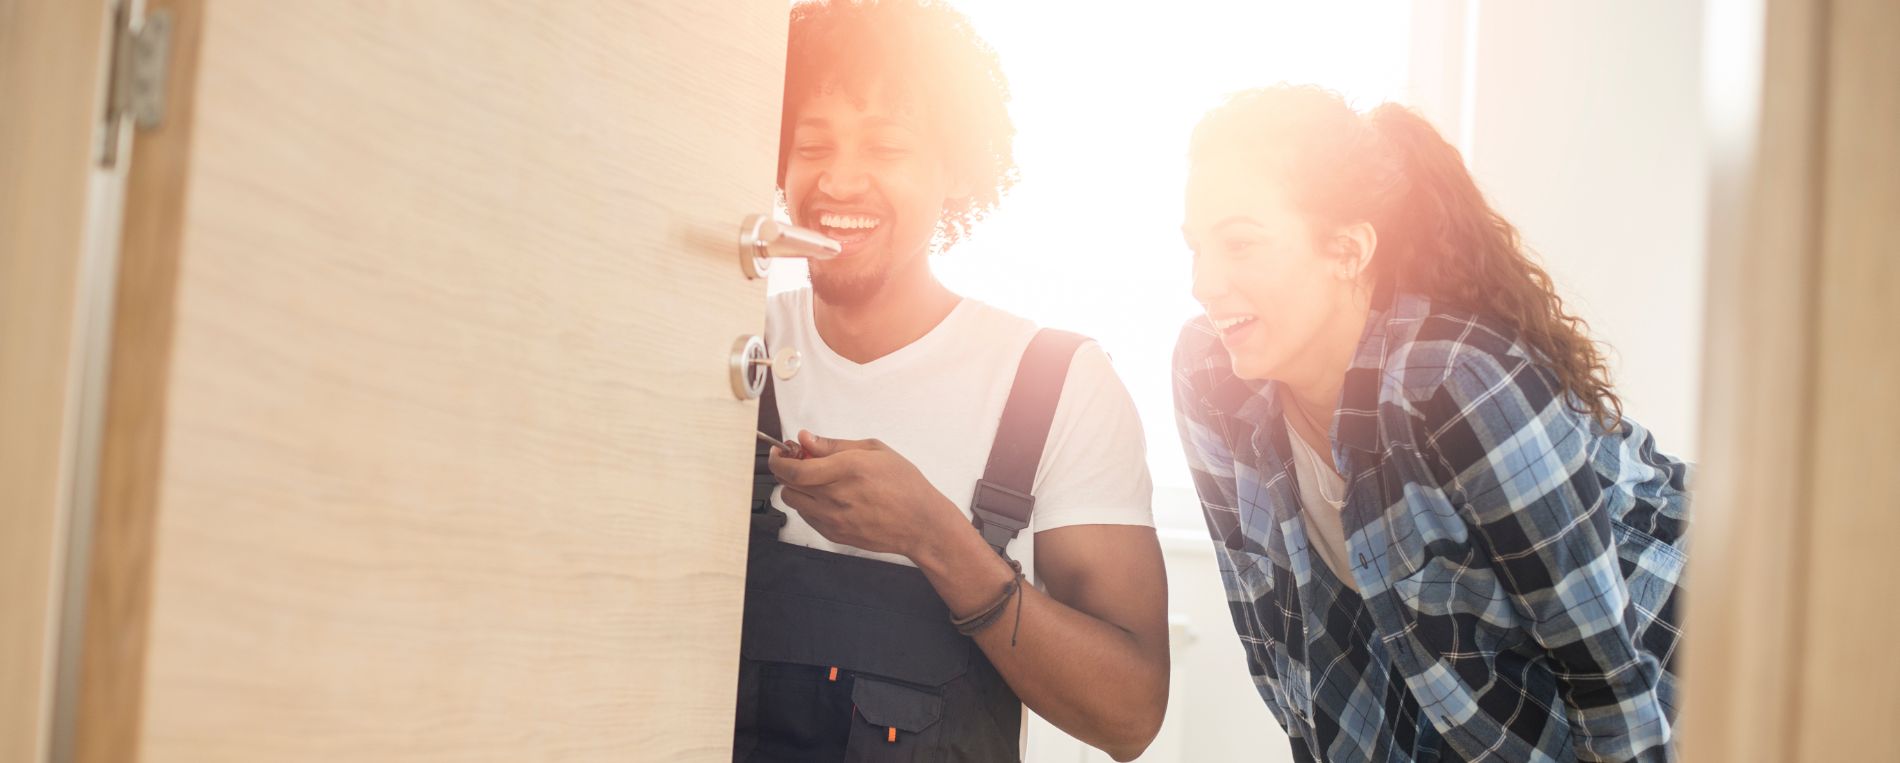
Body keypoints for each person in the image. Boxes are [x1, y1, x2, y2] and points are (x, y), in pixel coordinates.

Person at [1171, 85, 1690, 762]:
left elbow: (1604, 679)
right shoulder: (1209, 373)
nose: (1203, 282)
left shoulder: (1455, 386)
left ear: (1349, 250)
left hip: (1691, 639)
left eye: (1240, 243)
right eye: (1195, 246)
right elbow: (1281, 649)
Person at [732, 2, 1168, 760]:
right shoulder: (731, 349)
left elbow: (1129, 716)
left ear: (957, 168)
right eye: (812, 145)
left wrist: (933, 536)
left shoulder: (1056, 387)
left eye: (886, 144)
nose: (838, 178)